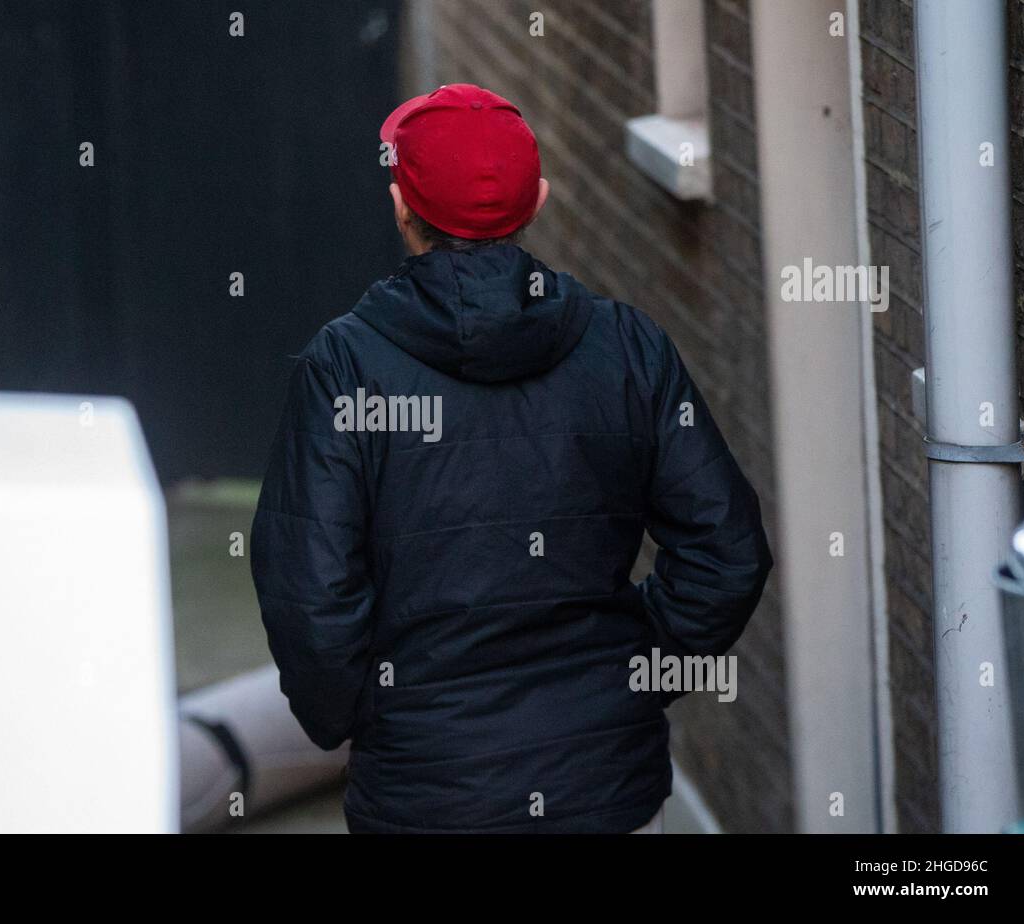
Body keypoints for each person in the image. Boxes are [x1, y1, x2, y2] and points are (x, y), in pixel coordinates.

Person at [250, 84, 772, 834]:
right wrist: (626, 669)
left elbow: (310, 593)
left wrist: (369, 714)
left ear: (402, 206)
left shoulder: (346, 367)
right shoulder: (626, 346)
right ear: (540, 202)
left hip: (429, 797)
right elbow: (728, 554)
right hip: (605, 791)